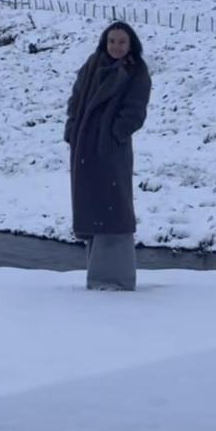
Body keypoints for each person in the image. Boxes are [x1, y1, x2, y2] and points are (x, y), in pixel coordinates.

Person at [64, 21, 152, 291]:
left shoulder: (136, 71)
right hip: (84, 147)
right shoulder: (92, 64)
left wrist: (116, 133)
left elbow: (136, 110)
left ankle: (115, 279)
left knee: (114, 206)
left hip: (110, 149)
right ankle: (98, 276)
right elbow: (76, 99)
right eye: (112, 41)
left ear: (130, 44)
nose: (116, 46)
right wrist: (71, 129)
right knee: (92, 204)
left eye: (121, 42)